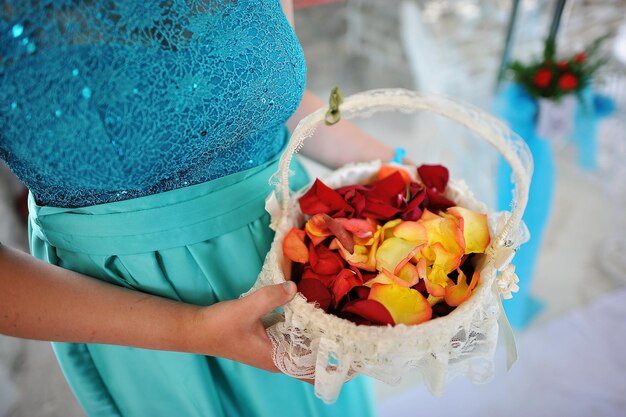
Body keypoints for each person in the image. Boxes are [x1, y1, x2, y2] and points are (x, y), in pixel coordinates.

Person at [0, 1, 395, 416]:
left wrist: (393, 165)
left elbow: (256, 86)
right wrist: (193, 331)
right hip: (141, 310)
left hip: (303, 259)